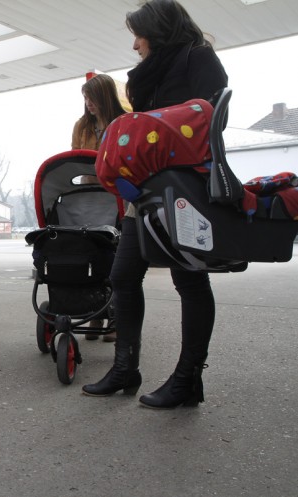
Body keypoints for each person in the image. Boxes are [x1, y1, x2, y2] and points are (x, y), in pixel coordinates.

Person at [82, 0, 228, 408]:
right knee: (123, 276)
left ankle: (187, 379)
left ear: (158, 32)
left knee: (190, 280)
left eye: (139, 35)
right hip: (143, 191)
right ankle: (125, 368)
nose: (135, 46)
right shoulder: (150, 73)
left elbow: (210, 119)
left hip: (185, 190)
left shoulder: (199, 59)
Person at [70, 73, 127, 343]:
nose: (87, 103)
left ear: (104, 96)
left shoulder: (124, 123)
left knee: (114, 256)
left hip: (116, 196)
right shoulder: (82, 126)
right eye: (84, 98)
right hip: (89, 195)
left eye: (91, 97)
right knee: (89, 253)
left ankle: (113, 315)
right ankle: (94, 312)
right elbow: (73, 158)